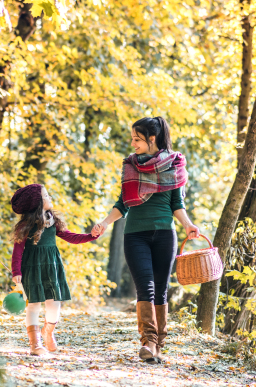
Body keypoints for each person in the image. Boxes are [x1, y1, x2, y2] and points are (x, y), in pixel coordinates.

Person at [91, 116, 200, 363]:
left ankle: (158, 344)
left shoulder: (174, 164)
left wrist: (188, 225)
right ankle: (148, 342)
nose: (133, 143)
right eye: (132, 138)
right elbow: (123, 204)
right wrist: (105, 223)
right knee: (146, 287)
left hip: (164, 234)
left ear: (152, 139)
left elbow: (177, 204)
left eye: (137, 139)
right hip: (135, 235)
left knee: (161, 290)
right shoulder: (130, 166)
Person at [10, 184, 99, 356]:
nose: (50, 198)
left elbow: (71, 236)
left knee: (54, 304)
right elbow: (18, 249)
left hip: (52, 266)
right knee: (34, 305)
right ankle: (35, 344)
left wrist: (91, 236)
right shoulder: (25, 226)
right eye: (46, 195)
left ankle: (48, 331)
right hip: (32, 267)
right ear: (37, 202)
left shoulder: (53, 222)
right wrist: (16, 271)